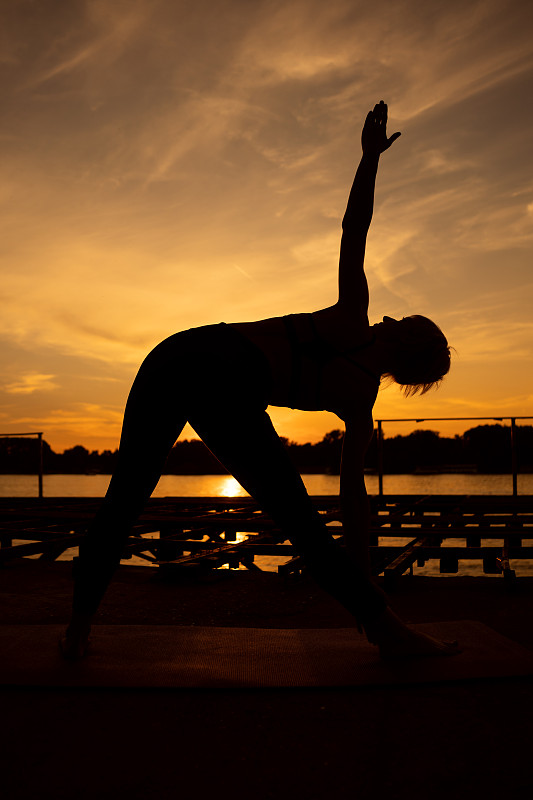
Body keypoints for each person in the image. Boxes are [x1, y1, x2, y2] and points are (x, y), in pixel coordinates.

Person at [60, 101, 458, 660]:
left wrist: (369, 160)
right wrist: (367, 582)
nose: (395, 316)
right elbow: (352, 500)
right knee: (298, 520)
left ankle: (77, 632)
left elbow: (355, 229)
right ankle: (385, 628)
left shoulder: (353, 320)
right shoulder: (359, 402)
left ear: (408, 340)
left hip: (181, 353)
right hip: (220, 370)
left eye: (405, 321)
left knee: (123, 501)